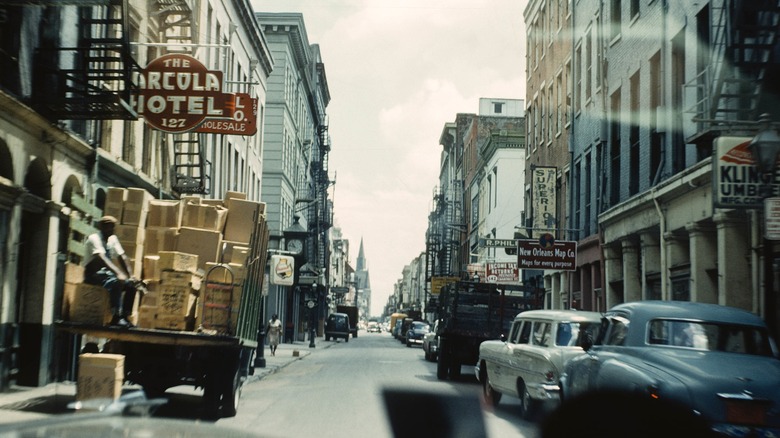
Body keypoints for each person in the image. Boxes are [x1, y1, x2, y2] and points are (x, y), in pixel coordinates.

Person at [83, 215, 139, 328]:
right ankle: (116, 316)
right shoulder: (94, 238)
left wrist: (130, 275)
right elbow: (101, 258)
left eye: (113, 227)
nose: (112, 230)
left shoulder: (112, 238)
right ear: (102, 227)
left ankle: (125, 317)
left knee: (131, 285)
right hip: (92, 275)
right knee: (116, 282)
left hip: (106, 274)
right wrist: (118, 273)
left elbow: (122, 256)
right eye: (109, 227)